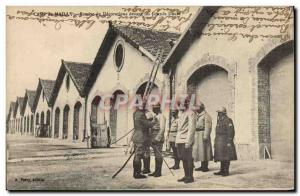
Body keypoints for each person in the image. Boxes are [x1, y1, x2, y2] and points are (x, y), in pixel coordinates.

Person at [176, 98, 196, 183]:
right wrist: (177, 140)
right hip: (180, 140)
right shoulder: (181, 114)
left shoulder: (191, 113)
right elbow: (179, 129)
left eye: (180, 104)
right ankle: (186, 175)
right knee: (183, 158)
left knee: (188, 159)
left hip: (186, 140)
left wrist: (189, 141)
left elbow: (191, 128)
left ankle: (190, 177)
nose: (178, 106)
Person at [132, 103, 155, 179]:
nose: (145, 107)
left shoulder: (135, 113)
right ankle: (137, 174)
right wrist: (154, 121)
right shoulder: (142, 114)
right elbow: (147, 124)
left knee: (136, 155)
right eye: (144, 106)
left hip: (136, 136)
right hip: (141, 137)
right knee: (138, 155)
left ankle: (135, 172)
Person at [214, 106, 237, 177]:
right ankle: (221, 170)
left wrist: (229, 141)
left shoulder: (228, 120)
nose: (218, 114)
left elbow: (231, 131)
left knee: (226, 156)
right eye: (218, 113)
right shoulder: (220, 120)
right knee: (221, 156)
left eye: (219, 113)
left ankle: (226, 171)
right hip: (220, 141)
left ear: (223, 113)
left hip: (225, 140)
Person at [193, 102, 213, 172]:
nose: (196, 109)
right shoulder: (197, 115)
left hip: (203, 134)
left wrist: (206, 136)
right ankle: (202, 166)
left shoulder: (206, 115)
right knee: (200, 151)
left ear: (201, 108)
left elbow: (208, 127)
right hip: (197, 134)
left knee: (205, 151)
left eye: (197, 108)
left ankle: (205, 167)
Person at [148, 103, 166, 177]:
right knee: (156, 154)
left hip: (158, 137)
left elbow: (162, 129)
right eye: (153, 107)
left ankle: (159, 172)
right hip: (153, 135)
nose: (153, 109)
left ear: (158, 108)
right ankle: (156, 171)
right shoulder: (155, 116)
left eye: (155, 108)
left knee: (158, 154)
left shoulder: (162, 117)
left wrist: (157, 139)